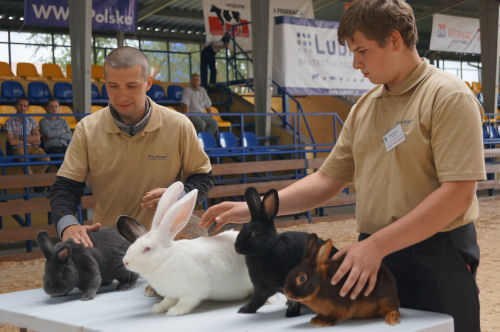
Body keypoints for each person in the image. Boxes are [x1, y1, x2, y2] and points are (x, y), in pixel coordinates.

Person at [199, 1, 484, 331]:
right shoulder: (365, 107)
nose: (355, 63)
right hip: (372, 254)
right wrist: (258, 210)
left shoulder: (447, 96)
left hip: (435, 253)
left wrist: (377, 245)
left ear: (394, 40)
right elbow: (326, 180)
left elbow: (458, 195)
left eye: (361, 51)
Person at [50, 46, 214, 247]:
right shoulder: (87, 129)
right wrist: (67, 225)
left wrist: (176, 196)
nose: (121, 96)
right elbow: (66, 187)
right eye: (113, 86)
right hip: (110, 245)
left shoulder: (178, 125)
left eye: (131, 86)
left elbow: (203, 177)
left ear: (148, 83)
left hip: (165, 244)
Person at [5, 97, 50, 175]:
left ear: (28, 108)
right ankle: (34, 183)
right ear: (15, 106)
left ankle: (32, 181)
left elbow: (37, 138)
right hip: (18, 149)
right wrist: (30, 138)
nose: (22, 108)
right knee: (25, 162)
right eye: (20, 105)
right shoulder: (9, 122)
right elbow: (12, 142)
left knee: (46, 159)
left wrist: (19, 137)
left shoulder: (32, 120)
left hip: (32, 147)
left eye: (25, 106)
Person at [39, 98, 72, 164]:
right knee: (63, 161)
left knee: (77, 157)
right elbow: (49, 134)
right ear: (47, 108)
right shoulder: (43, 121)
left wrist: (54, 135)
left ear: (59, 108)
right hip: (52, 147)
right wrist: (63, 131)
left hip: (64, 145)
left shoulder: (64, 121)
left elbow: (69, 136)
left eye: (56, 106)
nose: (54, 109)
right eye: (51, 107)